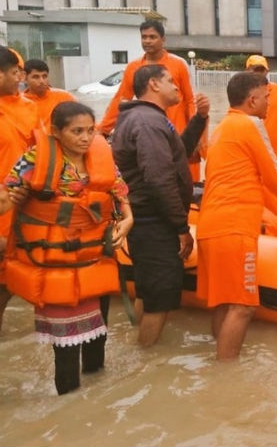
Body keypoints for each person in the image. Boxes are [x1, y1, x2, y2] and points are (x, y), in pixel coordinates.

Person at [0, 101, 134, 395]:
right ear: (57, 132)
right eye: (77, 131)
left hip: (94, 258)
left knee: (98, 337)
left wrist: (128, 220)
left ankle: (97, 397)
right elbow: (4, 201)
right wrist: (16, 196)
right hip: (57, 264)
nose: (86, 138)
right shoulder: (36, 158)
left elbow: (119, 192)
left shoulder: (101, 156)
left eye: (90, 130)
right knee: (67, 348)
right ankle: (69, 405)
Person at [196, 72, 277, 361]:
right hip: (234, 227)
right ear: (252, 100)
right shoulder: (249, 124)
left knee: (223, 304)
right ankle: (227, 375)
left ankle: (218, 372)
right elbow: (275, 172)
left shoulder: (223, 127)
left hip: (209, 225)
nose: (268, 103)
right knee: (243, 306)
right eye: (266, 97)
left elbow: (253, 178)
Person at [111, 64, 209, 347]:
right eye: (171, 81)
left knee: (148, 292)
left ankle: (135, 346)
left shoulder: (147, 119)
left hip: (145, 220)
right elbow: (158, 177)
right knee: (161, 297)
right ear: (153, 84)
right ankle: (145, 362)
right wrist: (181, 227)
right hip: (154, 222)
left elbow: (176, 151)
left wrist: (200, 119)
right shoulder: (147, 122)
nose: (177, 87)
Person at [98, 19, 203, 180]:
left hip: (178, 132)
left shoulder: (178, 65)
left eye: (152, 37)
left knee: (184, 180)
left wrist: (195, 136)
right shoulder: (134, 67)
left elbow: (190, 101)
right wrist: (102, 130)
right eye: (144, 37)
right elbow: (121, 99)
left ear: (163, 39)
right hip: (149, 133)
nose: (147, 41)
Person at [0, 46, 40, 332]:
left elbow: (39, 156)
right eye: (15, 73)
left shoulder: (29, 108)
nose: (20, 79)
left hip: (20, 213)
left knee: (10, 283)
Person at [245, 55, 277, 155]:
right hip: (253, 150)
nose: (258, 73)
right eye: (255, 69)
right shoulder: (242, 93)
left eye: (261, 69)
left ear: (266, 71)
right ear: (247, 71)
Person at [23, 59, 75, 131]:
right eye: (36, 77)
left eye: (45, 76)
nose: (41, 81)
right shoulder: (19, 102)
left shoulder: (64, 97)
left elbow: (80, 119)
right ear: (25, 77)